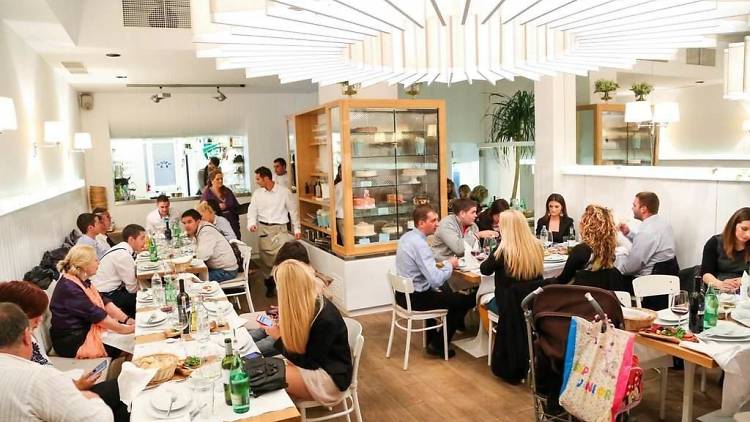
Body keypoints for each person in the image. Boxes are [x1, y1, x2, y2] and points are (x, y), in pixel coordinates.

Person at [0, 281, 129, 421]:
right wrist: (89, 396)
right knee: (126, 397)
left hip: (58, 392)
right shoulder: (29, 374)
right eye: (35, 315)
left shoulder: (23, 343)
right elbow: (99, 417)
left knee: (126, 387)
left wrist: (75, 385)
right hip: (57, 398)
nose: (40, 320)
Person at [263, 260, 352, 406]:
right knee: (265, 373)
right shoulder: (311, 304)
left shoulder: (324, 317)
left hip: (330, 379)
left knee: (266, 377)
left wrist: (278, 336)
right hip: (317, 366)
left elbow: (309, 362)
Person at [396, 205, 475, 357]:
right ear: (421, 223)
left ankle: (433, 339)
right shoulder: (420, 245)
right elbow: (436, 280)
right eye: (433, 221)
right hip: (416, 299)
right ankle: (438, 345)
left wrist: (444, 266)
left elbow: (427, 274)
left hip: (401, 295)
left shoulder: (407, 237)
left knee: (447, 294)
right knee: (465, 301)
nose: (437, 224)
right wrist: (450, 265)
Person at [49, 245, 135, 359]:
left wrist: (127, 320)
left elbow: (104, 302)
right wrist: (125, 329)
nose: (98, 262)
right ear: (84, 265)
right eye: (95, 260)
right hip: (74, 341)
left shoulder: (81, 280)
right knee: (131, 340)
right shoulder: (69, 288)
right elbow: (96, 315)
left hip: (86, 330)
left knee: (132, 336)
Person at [250, 240, 328, 357]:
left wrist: (278, 331)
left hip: (296, 336)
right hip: (288, 327)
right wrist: (284, 310)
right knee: (255, 334)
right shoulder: (302, 280)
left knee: (252, 349)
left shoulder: (314, 287)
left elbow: (303, 325)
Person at [248, 166, 301, 297]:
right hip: (264, 229)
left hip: (280, 229)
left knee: (281, 258)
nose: (256, 181)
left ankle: (283, 286)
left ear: (266, 178)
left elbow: (293, 211)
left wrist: (297, 228)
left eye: (258, 179)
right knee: (265, 259)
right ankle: (270, 283)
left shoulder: (284, 192)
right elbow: (252, 210)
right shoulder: (257, 194)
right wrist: (252, 223)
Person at [481, 210, 544, 314]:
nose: (498, 225)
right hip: (532, 302)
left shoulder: (501, 251)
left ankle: (484, 324)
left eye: (500, 223)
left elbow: (485, 270)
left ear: (505, 227)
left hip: (508, 306)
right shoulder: (537, 246)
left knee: (482, 298)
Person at [555, 205, 623, 289]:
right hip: (602, 294)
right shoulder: (609, 250)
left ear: (587, 226)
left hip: (581, 294)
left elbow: (563, 280)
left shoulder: (581, 251)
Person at [91, 224, 147, 317]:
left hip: (107, 290)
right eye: (142, 238)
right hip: (105, 295)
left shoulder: (122, 248)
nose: (145, 241)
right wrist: (147, 291)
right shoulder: (123, 255)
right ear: (131, 240)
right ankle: (134, 322)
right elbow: (132, 288)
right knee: (143, 300)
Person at [616, 192, 677, 277]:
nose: (632, 208)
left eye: (634, 205)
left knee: (611, 273)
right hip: (667, 278)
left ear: (643, 209)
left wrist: (620, 254)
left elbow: (628, 269)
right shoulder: (665, 225)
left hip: (645, 281)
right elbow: (650, 244)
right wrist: (628, 233)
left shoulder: (646, 232)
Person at [431, 198, 499, 261]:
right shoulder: (446, 224)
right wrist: (477, 235)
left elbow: (475, 250)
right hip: (440, 264)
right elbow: (458, 249)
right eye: (473, 212)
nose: (476, 215)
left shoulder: (474, 226)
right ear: (462, 213)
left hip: (462, 263)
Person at [181, 209, 238, 282]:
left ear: (198, 221)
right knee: (187, 275)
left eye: (189, 222)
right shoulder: (201, 229)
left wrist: (187, 261)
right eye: (184, 223)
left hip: (226, 271)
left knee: (190, 279)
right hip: (218, 268)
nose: (186, 226)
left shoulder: (206, 231)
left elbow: (202, 256)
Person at [701, 207, 750, 291]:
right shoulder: (714, 242)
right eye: (744, 229)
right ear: (733, 225)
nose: (748, 235)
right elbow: (706, 274)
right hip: (718, 287)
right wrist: (720, 284)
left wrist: (746, 280)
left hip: (745, 290)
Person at [201, 170, 241, 240]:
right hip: (218, 224)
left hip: (232, 222)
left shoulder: (227, 191)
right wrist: (217, 207)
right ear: (212, 180)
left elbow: (236, 205)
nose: (220, 181)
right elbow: (203, 210)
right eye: (217, 179)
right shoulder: (207, 194)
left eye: (221, 179)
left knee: (235, 241)